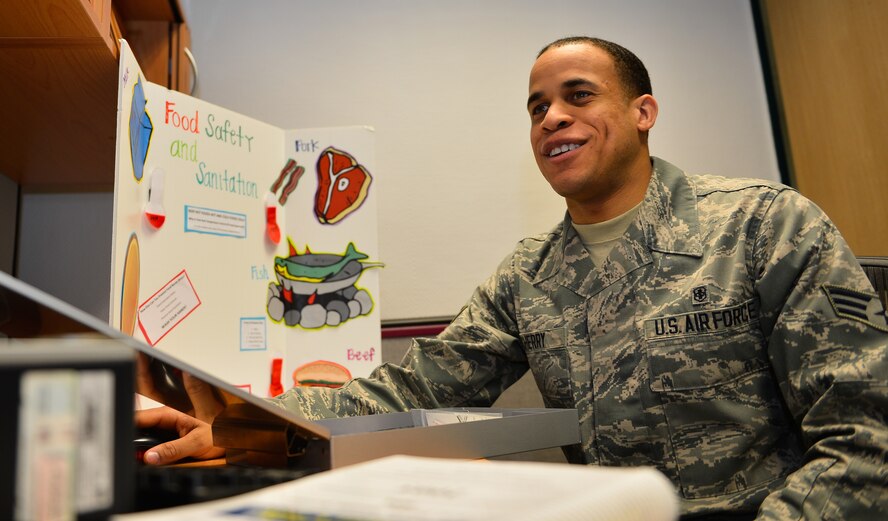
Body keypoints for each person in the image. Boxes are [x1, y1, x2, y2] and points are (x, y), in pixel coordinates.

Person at [138, 37, 888, 519]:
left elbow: (865, 441)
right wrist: (249, 421)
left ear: (643, 112)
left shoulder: (763, 223)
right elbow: (410, 393)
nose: (551, 117)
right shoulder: (528, 275)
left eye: (577, 96)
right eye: (537, 108)